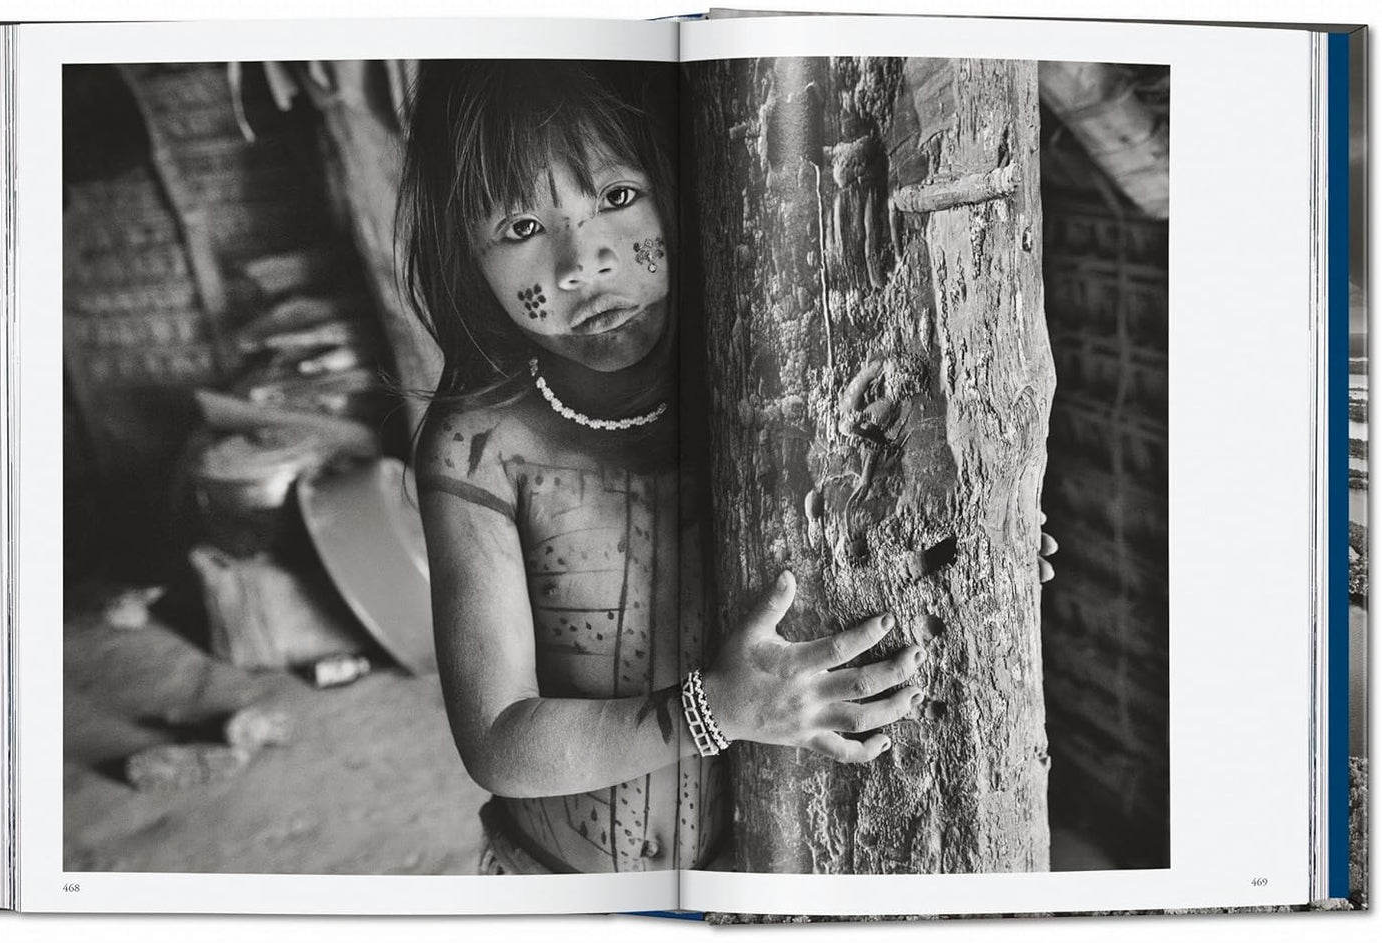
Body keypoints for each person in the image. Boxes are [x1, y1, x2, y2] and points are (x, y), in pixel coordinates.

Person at [399, 61, 1051, 875]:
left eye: (615, 196)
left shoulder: (769, 389)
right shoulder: (478, 447)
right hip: (552, 885)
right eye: (522, 228)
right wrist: (713, 711)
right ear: (465, 250)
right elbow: (499, 743)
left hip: (743, 880)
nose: (582, 264)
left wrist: (973, 538)